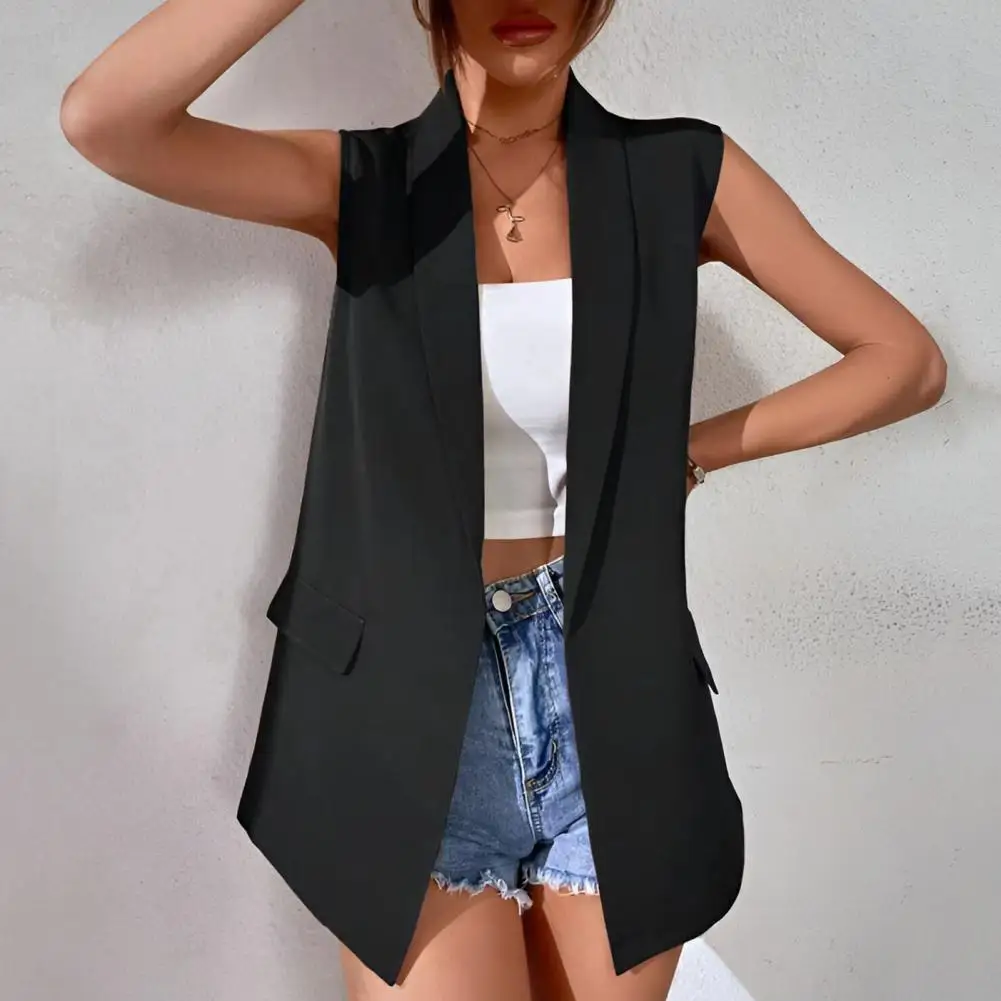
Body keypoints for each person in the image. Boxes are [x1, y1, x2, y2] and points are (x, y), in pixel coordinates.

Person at [60, 2, 948, 999]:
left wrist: (685, 452)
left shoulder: (678, 172)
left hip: (612, 694)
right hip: (404, 704)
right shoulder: (366, 180)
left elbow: (903, 362)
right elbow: (106, 118)